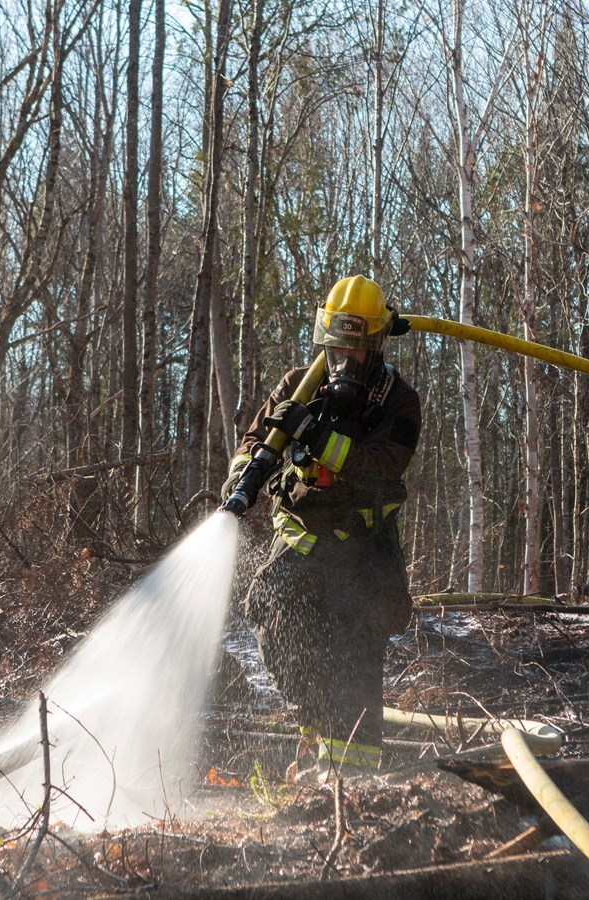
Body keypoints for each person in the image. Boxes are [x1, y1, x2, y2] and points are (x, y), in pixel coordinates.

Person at [222, 275, 421, 780]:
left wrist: (317, 436)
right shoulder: (298, 386)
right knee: (270, 613)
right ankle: (312, 724)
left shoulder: (399, 402)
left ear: (375, 343)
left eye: (356, 348)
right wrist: (241, 477)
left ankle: (351, 782)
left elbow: (379, 471)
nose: (344, 359)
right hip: (304, 542)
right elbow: (252, 442)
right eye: (337, 346)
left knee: (355, 655)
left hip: (364, 551)